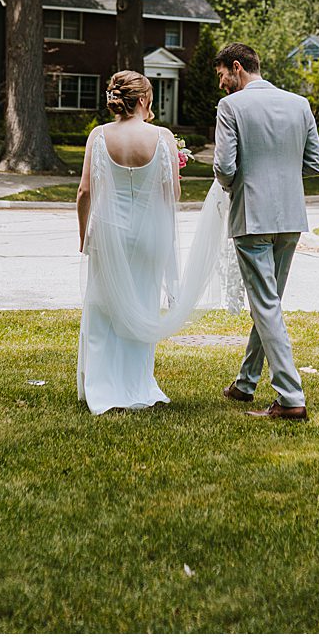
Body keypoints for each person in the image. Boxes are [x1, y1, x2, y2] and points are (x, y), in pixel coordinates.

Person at [76, 69, 240, 414]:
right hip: (149, 235)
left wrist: (83, 236)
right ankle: (137, 384)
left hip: (110, 232)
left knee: (103, 309)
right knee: (143, 303)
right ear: (144, 99)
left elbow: (85, 192)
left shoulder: (99, 135)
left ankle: (103, 387)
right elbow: (172, 194)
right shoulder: (162, 136)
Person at [212, 40, 319, 421]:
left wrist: (238, 183)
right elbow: (314, 163)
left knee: (265, 304)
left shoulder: (230, 107)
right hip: (291, 216)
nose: (222, 84)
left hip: (252, 217)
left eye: (223, 75)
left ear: (237, 67)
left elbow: (225, 168)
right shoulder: (299, 104)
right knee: (269, 302)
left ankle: (291, 397)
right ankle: (245, 383)